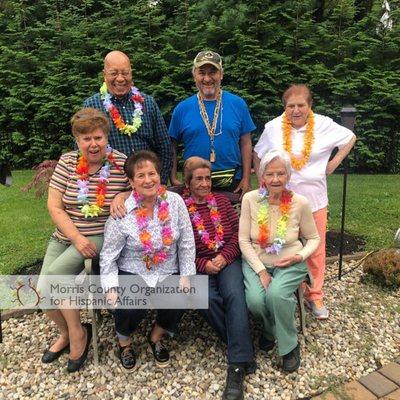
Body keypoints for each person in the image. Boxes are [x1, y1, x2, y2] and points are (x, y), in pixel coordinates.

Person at [37, 107, 130, 372]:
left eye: (98, 137)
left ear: (106, 137)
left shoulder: (120, 163)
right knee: (43, 291)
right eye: (86, 138)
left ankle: (78, 336)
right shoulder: (67, 162)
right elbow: (55, 207)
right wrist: (75, 237)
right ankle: (69, 332)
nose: (93, 144)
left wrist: (122, 197)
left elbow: (136, 191)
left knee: (55, 275)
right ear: (77, 141)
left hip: (100, 234)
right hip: (66, 235)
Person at [253, 84, 356, 319]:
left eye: (301, 105)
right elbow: (257, 154)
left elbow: (350, 137)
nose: (296, 110)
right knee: (284, 244)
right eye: (291, 106)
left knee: (315, 248)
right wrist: (263, 182)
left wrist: (334, 163)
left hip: (315, 199)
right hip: (282, 201)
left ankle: (315, 295)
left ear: (310, 106)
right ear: (284, 108)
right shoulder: (272, 128)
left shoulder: (324, 124)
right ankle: (292, 288)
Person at [100, 150, 196, 370]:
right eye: (140, 176)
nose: (148, 180)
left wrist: (186, 275)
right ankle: (124, 342)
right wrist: (111, 286)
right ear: (132, 182)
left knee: (181, 297)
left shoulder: (174, 202)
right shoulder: (123, 211)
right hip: (133, 267)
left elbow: (187, 241)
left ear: (159, 175)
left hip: (167, 266)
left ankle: (156, 335)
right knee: (132, 305)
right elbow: (108, 254)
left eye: (151, 173)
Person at [239, 150, 320, 373]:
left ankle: (289, 346)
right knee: (255, 301)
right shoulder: (250, 199)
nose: (275, 179)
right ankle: (269, 330)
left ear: (288, 176)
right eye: (270, 174)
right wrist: (261, 271)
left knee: (276, 295)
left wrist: (301, 256)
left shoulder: (300, 203)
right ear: (262, 176)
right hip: (257, 261)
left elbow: (313, 238)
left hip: (290, 261)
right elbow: (243, 240)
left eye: (281, 174)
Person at [182, 156, 255, 400]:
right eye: (199, 179)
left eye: (207, 178)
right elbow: (179, 248)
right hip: (199, 266)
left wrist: (224, 257)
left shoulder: (222, 202)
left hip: (227, 260)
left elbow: (237, 235)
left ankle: (236, 367)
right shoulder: (180, 208)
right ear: (188, 182)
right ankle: (244, 348)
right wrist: (203, 264)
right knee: (205, 298)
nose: (204, 184)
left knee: (235, 295)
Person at [169, 50, 256, 200]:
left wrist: (246, 179)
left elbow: (246, 143)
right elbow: (171, 146)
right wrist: (172, 177)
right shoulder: (182, 109)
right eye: (202, 73)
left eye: (213, 72)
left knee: (231, 223)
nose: (207, 78)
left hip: (233, 182)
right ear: (194, 75)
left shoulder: (238, 104)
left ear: (221, 74)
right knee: (198, 224)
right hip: (194, 182)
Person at [84, 50, 172, 184]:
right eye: (114, 73)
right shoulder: (91, 106)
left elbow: (164, 147)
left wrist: (161, 182)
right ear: (104, 74)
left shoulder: (147, 103)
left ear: (131, 73)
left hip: (146, 184)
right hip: (109, 185)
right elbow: (83, 150)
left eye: (125, 73)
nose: (120, 78)